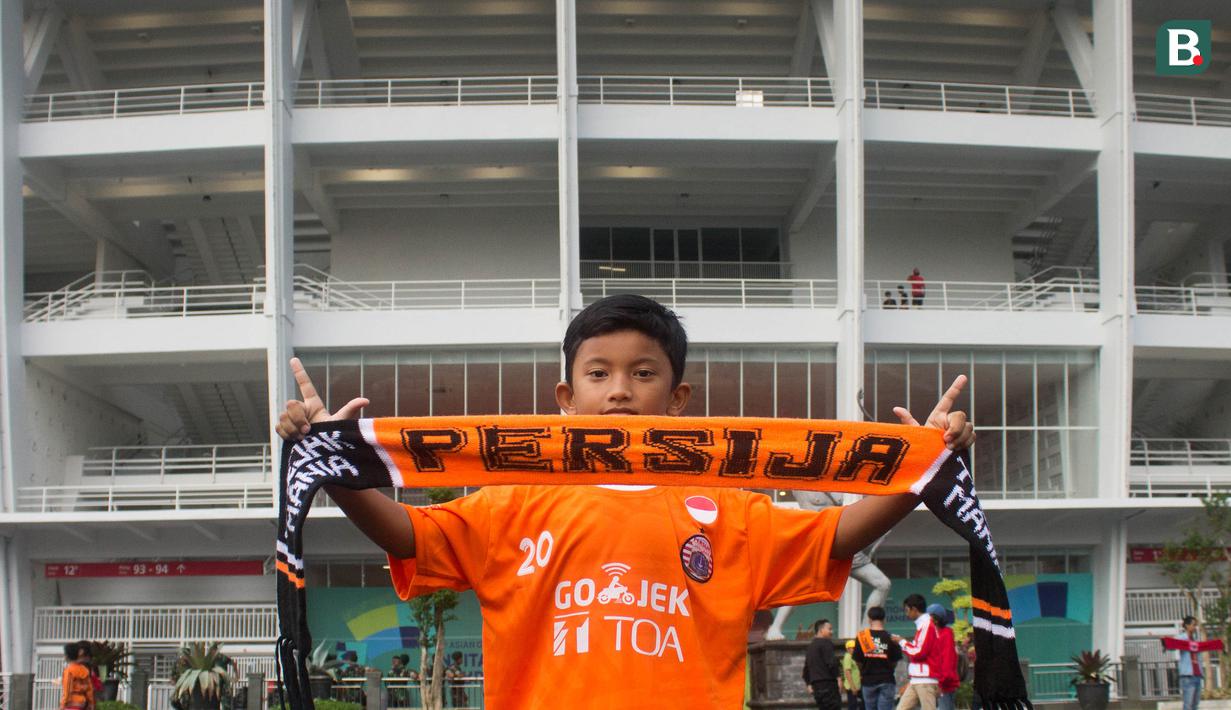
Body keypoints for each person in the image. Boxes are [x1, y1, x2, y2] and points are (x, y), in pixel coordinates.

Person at [275, 294, 976, 709]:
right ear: (564, 398)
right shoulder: (511, 504)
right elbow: (407, 536)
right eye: (598, 373)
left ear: (677, 402)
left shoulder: (726, 510)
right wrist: (334, 467)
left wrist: (918, 471)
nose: (618, 390)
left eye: (642, 374)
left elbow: (832, 540)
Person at [893, 594, 942, 710]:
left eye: (907, 610)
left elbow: (919, 653)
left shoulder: (927, 625)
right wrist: (903, 642)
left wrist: (902, 642)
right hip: (918, 679)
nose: (906, 614)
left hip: (925, 680)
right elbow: (918, 650)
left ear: (914, 609)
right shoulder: (924, 625)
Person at [853, 606, 901, 710]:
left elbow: (858, 660)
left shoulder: (862, 637)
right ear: (884, 619)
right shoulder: (891, 637)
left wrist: (863, 671)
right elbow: (894, 662)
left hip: (868, 681)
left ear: (869, 619)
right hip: (887, 679)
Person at [804, 620, 842, 710]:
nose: (832, 632)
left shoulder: (810, 647)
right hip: (828, 684)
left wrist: (808, 684)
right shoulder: (826, 643)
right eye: (829, 629)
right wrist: (839, 678)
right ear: (821, 630)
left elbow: (806, 669)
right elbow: (831, 663)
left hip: (816, 687)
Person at [927, 604, 959, 710]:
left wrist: (941, 683)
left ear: (936, 619)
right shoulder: (933, 633)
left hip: (945, 683)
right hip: (936, 681)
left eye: (928, 617)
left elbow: (948, 659)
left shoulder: (946, 634)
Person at [1177, 615, 1204, 710]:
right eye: (1193, 625)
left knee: (1195, 705)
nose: (1195, 627)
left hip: (1197, 675)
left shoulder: (1195, 640)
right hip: (1187, 676)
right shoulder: (1181, 638)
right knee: (1188, 705)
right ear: (1187, 626)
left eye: (1196, 625)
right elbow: (1172, 646)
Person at [61, 641, 94, 710]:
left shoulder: (69, 670)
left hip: (72, 702)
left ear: (67, 656)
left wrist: (63, 704)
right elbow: (89, 688)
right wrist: (91, 703)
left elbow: (68, 689)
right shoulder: (84, 670)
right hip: (82, 702)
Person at [841, 639, 863, 710]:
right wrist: (853, 687)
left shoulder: (854, 656)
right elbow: (847, 673)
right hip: (852, 686)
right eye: (853, 648)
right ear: (848, 649)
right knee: (853, 705)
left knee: (863, 703)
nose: (855, 649)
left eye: (855, 647)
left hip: (858, 685)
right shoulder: (848, 657)